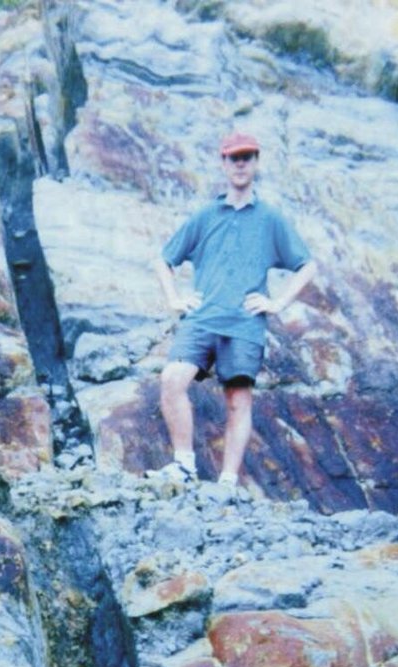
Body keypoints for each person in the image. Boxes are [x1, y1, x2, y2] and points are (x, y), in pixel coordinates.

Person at [150, 131, 316, 491]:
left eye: (247, 157)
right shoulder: (206, 215)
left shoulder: (270, 219)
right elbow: (164, 260)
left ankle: (226, 482)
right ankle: (183, 465)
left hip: (244, 325)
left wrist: (277, 303)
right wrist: (174, 299)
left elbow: (307, 265)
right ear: (223, 164)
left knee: (238, 400)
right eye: (233, 158)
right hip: (202, 318)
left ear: (256, 162)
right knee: (171, 380)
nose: (240, 164)